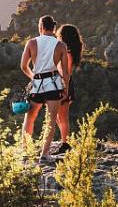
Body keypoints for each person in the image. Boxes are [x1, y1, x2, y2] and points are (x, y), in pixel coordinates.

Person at [20, 15, 70, 164]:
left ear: (40, 26)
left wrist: (33, 77)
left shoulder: (32, 43)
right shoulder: (61, 45)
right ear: (53, 28)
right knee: (51, 120)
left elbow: (23, 66)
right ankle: (44, 154)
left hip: (37, 85)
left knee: (30, 118)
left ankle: (26, 151)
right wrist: (66, 88)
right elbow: (65, 72)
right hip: (54, 85)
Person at [54, 24, 84, 154]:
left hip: (63, 84)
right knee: (57, 116)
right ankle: (64, 141)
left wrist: (64, 90)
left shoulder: (68, 52)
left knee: (62, 116)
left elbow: (66, 72)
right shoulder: (67, 51)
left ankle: (65, 144)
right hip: (61, 83)